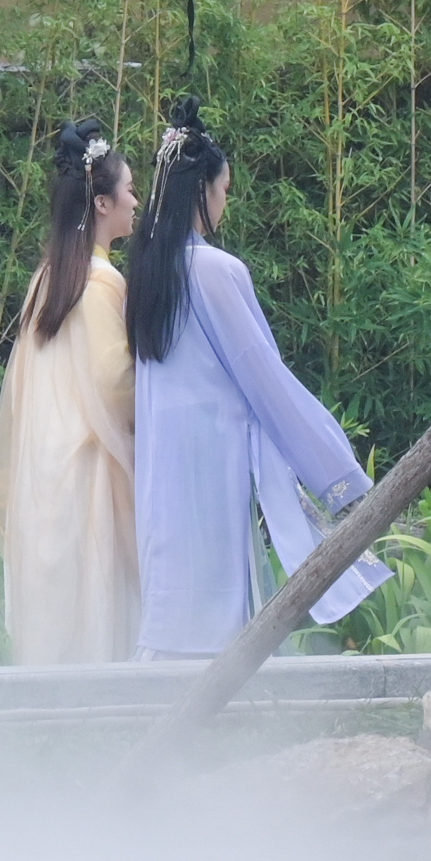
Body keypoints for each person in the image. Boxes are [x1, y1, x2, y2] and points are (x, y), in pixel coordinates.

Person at [122, 108, 388, 657]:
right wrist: (340, 476)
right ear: (201, 193)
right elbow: (266, 381)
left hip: (163, 457)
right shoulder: (216, 271)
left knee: (175, 581)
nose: (225, 202)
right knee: (219, 594)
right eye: (224, 190)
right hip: (213, 457)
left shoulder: (145, 272)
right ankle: (220, 703)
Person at [0, 127, 142, 663]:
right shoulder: (103, 283)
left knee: (53, 618)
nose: (136, 201)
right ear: (102, 203)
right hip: (88, 467)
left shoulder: (47, 280)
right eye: (129, 190)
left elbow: (21, 389)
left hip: (42, 467)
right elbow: (116, 384)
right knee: (94, 609)